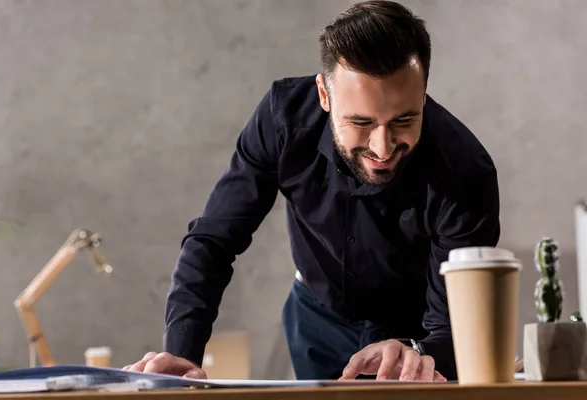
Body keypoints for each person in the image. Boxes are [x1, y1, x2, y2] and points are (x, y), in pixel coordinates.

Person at [123, 0, 499, 382]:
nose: (382, 148)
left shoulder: (465, 170)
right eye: (360, 122)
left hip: (414, 328)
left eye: (404, 119)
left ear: (423, 95)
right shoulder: (282, 121)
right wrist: (180, 354)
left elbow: (459, 325)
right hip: (316, 317)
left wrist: (422, 350)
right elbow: (214, 241)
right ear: (324, 95)